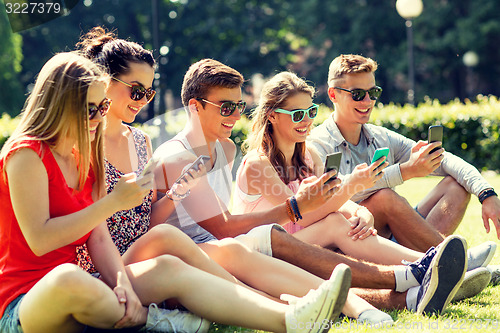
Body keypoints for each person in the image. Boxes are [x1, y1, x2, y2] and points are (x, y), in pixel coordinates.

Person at [0, 52, 353, 333]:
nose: (97, 117)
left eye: (102, 107)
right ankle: (147, 321)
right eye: (89, 108)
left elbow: (99, 239)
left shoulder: (85, 156)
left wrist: (121, 282)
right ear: (61, 104)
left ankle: (289, 319)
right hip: (28, 300)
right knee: (68, 279)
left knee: (168, 265)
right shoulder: (26, 154)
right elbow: (40, 240)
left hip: (93, 285)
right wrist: (111, 204)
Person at [74, 26, 370, 331]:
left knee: (224, 247)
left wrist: (176, 193)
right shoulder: (82, 145)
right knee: (204, 241)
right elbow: (94, 231)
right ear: (104, 82)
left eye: (148, 92)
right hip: (110, 263)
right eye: (137, 91)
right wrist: (297, 206)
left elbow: (148, 219)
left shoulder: (140, 141)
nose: (143, 101)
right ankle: (292, 309)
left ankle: (348, 301)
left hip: (146, 248)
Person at [152, 58, 468, 315]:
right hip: (247, 246)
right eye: (226, 108)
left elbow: (308, 206)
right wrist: (344, 191)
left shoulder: (232, 150)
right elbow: (287, 216)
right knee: (333, 226)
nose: (235, 115)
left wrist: (355, 207)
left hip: (256, 244)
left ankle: (423, 274)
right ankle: (422, 266)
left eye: (237, 107)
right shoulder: (248, 162)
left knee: (342, 225)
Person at [306, 54, 495, 284]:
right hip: (355, 242)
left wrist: (486, 193)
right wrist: (404, 171)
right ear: (333, 94)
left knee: (456, 185)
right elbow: (335, 196)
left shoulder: (380, 136)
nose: (367, 101)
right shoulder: (316, 144)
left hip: (395, 237)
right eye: (357, 94)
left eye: (373, 92)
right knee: (384, 198)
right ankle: (456, 265)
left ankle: (442, 266)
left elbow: (445, 159)